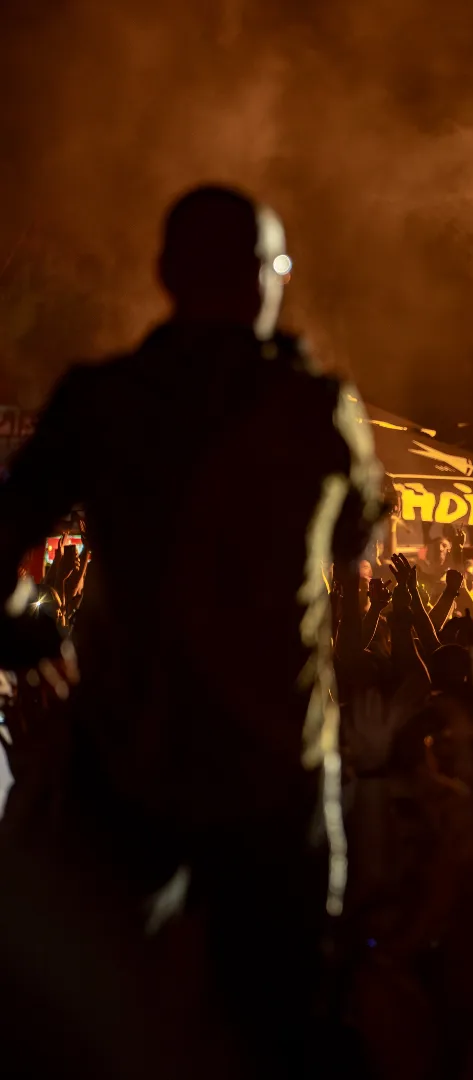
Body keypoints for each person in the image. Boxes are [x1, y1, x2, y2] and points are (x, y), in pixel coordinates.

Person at [0, 185, 383, 1075]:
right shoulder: (317, 405)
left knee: (99, 1009)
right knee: (282, 1020)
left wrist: (32, 639)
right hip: (274, 763)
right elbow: (360, 534)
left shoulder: (102, 402)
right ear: (266, 282)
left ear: (167, 275)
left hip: (133, 756)